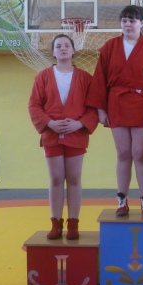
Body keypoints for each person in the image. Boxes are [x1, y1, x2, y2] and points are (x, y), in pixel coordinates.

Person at [87, 5, 143, 217]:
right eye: (124, 21)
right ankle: (121, 199)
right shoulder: (109, 47)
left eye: (132, 21)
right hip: (116, 104)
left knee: (140, 153)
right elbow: (99, 80)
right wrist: (101, 109)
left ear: (142, 23)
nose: (128, 24)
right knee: (123, 153)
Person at [29, 34, 98, 239]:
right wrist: (49, 123)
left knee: (74, 178)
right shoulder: (42, 77)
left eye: (67, 45)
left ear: (73, 50)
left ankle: (73, 223)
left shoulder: (86, 78)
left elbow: (94, 107)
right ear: (53, 52)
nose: (63, 48)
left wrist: (80, 123)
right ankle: (56, 223)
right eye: (58, 46)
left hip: (76, 135)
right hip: (51, 135)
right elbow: (34, 105)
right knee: (56, 178)